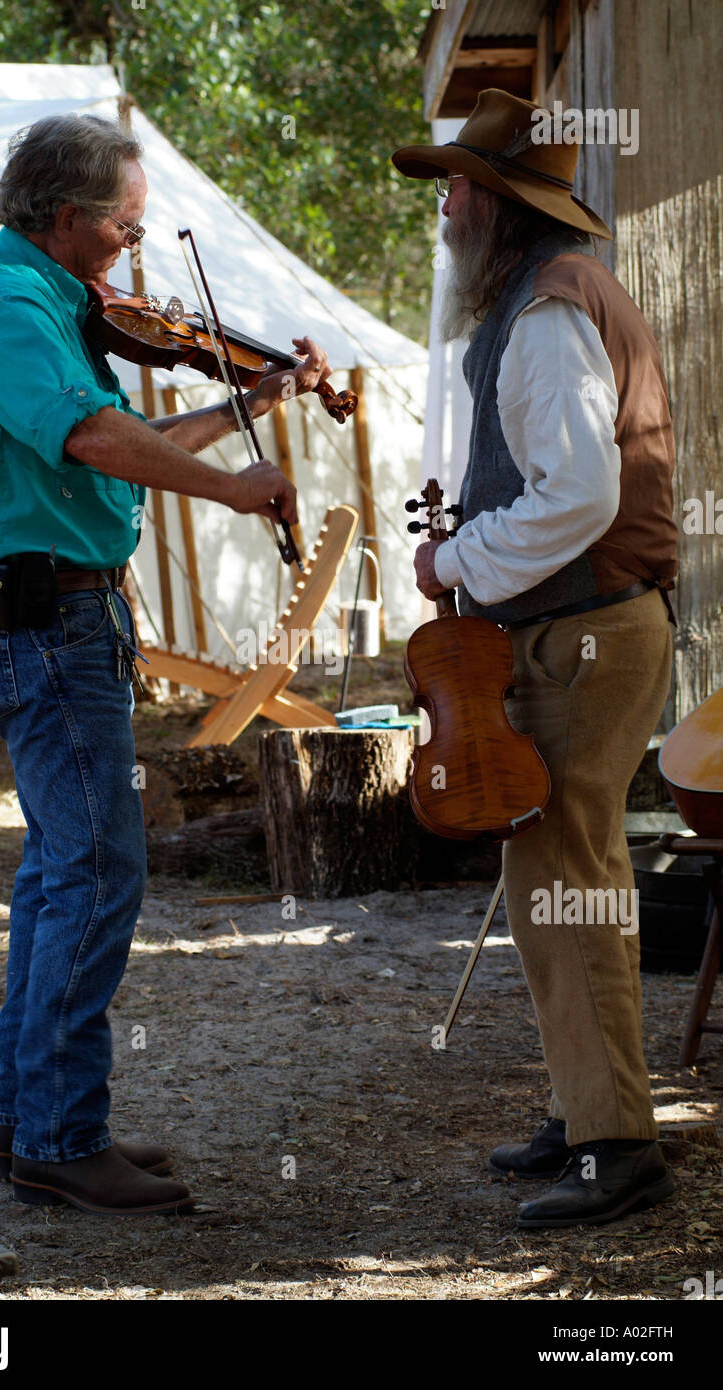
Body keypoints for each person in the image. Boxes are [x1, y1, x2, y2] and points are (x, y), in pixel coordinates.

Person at [0, 114, 331, 1216]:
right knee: (98, 869)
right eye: (126, 227)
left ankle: (32, 1121)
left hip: (50, 617)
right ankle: (59, 1131)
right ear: (67, 219)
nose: (136, 251)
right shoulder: (4, 311)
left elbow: (111, 445)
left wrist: (244, 400)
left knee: (60, 873)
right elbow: (93, 440)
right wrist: (237, 489)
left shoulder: (47, 302)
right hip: (40, 625)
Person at [393, 89, 679, 1229]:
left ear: (502, 207)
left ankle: (617, 1145)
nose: (445, 205)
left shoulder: (550, 312)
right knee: (547, 883)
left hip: (588, 631)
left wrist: (459, 553)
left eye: (458, 186)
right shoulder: (539, 296)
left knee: (569, 882)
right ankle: (584, 1106)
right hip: (573, 627)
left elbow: (580, 492)